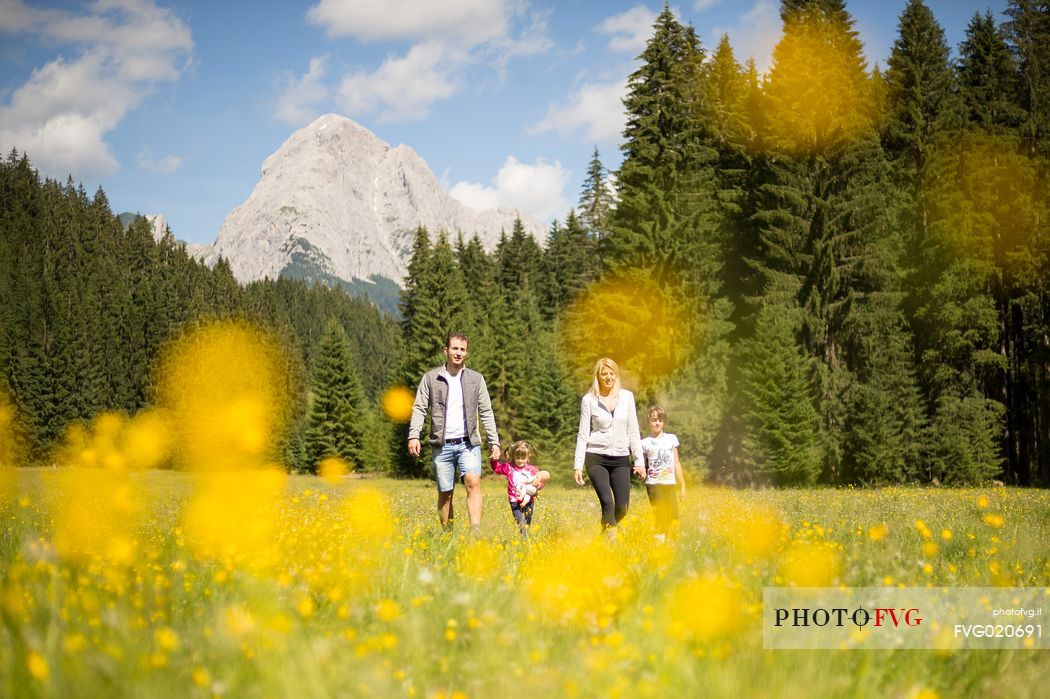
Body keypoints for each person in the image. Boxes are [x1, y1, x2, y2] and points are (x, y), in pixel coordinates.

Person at [408, 332, 500, 531]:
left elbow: (486, 411)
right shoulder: (432, 378)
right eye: (455, 348)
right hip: (442, 445)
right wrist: (414, 435)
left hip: (468, 443)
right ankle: (448, 536)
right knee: (445, 492)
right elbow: (419, 408)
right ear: (446, 351)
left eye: (462, 349)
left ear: (466, 353)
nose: (458, 353)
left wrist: (494, 442)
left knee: (473, 481)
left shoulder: (476, 379)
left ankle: (475, 531)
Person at [573, 357, 644, 536]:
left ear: (616, 375)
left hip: (620, 458)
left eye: (612, 373)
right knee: (608, 503)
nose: (608, 377)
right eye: (604, 373)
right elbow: (583, 434)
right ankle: (610, 545)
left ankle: (604, 533)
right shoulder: (589, 400)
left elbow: (633, 431)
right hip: (596, 457)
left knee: (622, 507)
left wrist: (639, 461)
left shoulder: (627, 397)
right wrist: (578, 465)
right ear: (598, 376)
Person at [640, 405, 686, 543]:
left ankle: (669, 545)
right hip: (653, 485)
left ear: (664, 422)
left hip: (669, 484)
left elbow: (676, 463)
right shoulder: (644, 443)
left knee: (673, 517)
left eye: (660, 420)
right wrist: (641, 471)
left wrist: (683, 485)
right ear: (649, 421)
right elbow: (641, 464)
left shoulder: (671, 439)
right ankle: (658, 547)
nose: (657, 423)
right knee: (660, 515)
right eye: (654, 420)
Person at [491, 440, 551, 535]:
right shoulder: (509, 467)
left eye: (523, 458)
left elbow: (540, 483)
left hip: (529, 501)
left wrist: (538, 485)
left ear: (528, 457)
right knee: (521, 525)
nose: (520, 460)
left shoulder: (533, 469)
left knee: (527, 524)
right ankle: (525, 540)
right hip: (514, 501)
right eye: (518, 457)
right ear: (513, 456)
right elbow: (497, 468)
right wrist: (493, 460)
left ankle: (525, 544)